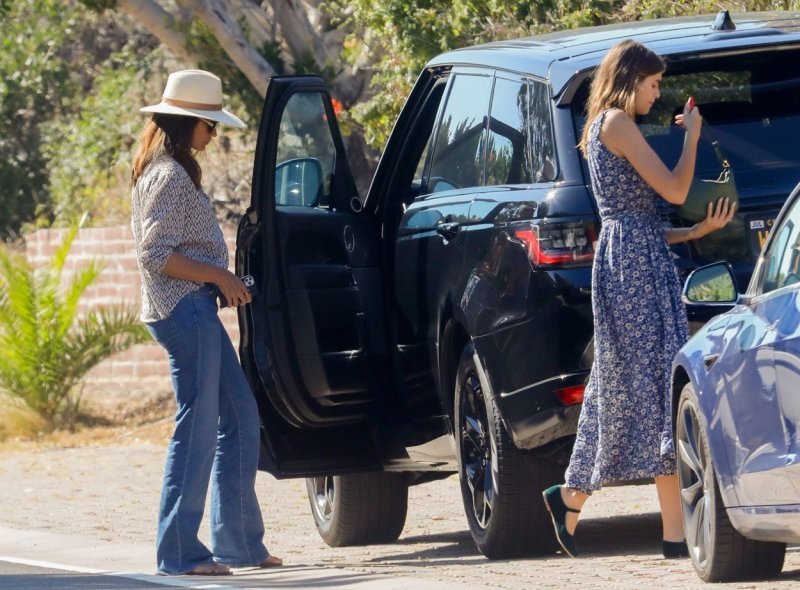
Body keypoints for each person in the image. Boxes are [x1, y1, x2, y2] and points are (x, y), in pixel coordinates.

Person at [541, 40, 736, 559]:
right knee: (654, 387)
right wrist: (692, 138)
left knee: (627, 385)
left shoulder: (606, 125)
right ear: (630, 79)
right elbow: (672, 190)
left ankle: (575, 498)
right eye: (652, 85)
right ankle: (667, 531)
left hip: (634, 258)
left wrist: (695, 229)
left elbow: (640, 222)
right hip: (633, 270)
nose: (656, 95)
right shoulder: (616, 123)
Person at [130, 69, 283, 576]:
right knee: (195, 429)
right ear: (186, 122)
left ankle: (237, 543)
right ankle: (178, 552)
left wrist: (216, 280)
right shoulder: (168, 175)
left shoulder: (172, 169)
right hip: (184, 309)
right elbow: (154, 255)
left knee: (239, 416)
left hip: (196, 306)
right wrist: (219, 274)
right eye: (209, 124)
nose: (214, 134)